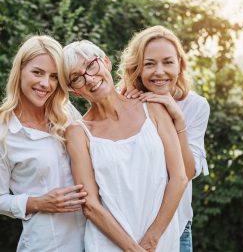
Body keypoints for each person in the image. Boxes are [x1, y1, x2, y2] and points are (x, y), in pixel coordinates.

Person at [63, 39, 188, 251]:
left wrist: (152, 239)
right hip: (108, 245)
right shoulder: (77, 133)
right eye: (77, 78)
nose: (90, 79)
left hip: (161, 242)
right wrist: (133, 249)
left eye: (92, 65)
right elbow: (91, 206)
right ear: (74, 91)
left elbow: (179, 177)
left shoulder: (152, 108)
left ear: (106, 62)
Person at [118, 25, 210, 252]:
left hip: (176, 227)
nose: (160, 71)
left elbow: (187, 173)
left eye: (168, 62)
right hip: (127, 226)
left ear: (180, 64)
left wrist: (178, 119)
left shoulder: (195, 106)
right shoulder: (124, 103)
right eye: (149, 64)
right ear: (137, 68)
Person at [0, 35, 86, 252]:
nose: (45, 84)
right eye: (37, 72)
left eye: (54, 76)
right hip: (47, 245)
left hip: (94, 240)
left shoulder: (66, 114)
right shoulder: (4, 131)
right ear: (20, 71)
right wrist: (38, 202)